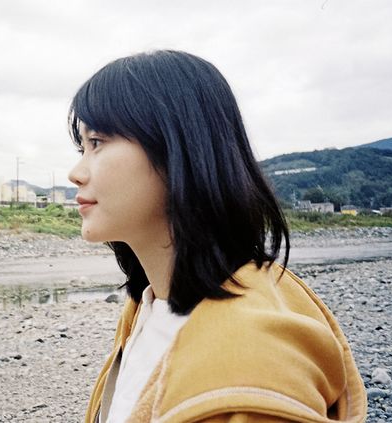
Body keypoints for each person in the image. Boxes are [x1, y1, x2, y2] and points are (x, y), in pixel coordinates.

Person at [67, 50, 367, 423]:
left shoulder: (252, 368)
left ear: (178, 147)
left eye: (96, 142)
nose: (75, 172)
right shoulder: (147, 308)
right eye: (82, 147)